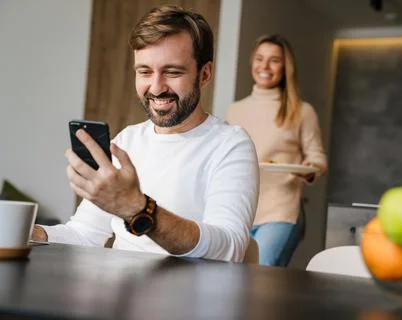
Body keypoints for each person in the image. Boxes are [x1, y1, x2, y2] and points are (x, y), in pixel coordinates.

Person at [31, 5, 259, 263]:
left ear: (204, 74)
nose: (156, 87)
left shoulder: (230, 144)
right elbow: (84, 234)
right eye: (145, 71)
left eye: (172, 72)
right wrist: (26, 231)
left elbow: (228, 248)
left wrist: (139, 209)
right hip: (119, 296)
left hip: (189, 300)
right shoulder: (127, 141)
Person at [225, 34, 328, 267]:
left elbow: (317, 157)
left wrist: (309, 170)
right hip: (240, 208)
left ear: (285, 67)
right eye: (259, 59)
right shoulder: (235, 110)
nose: (264, 66)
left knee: (260, 274)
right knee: (233, 277)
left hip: (281, 210)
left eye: (274, 60)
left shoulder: (301, 111)